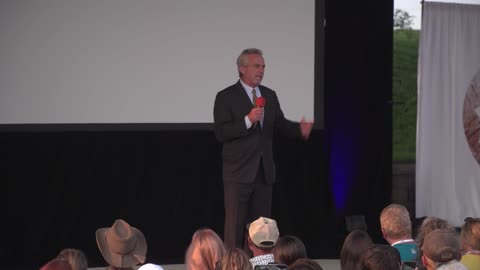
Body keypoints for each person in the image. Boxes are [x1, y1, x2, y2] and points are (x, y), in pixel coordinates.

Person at [213, 48, 313, 249]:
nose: (261, 70)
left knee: (262, 228)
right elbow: (221, 133)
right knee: (235, 226)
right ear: (242, 69)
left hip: (263, 171)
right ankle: (234, 264)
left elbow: (280, 125)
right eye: (256, 66)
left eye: (263, 66)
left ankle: (260, 263)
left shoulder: (269, 95)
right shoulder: (226, 96)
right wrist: (248, 121)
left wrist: (299, 130)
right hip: (237, 173)